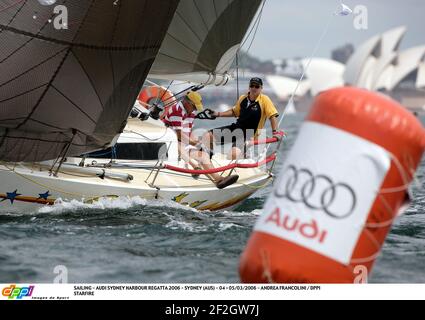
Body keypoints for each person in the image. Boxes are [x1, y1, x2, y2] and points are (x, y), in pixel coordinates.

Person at [162, 91, 239, 189]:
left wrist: (196, 143)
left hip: (183, 142)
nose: (195, 109)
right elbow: (178, 135)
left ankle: (218, 179)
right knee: (177, 144)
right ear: (187, 103)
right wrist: (191, 142)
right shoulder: (176, 110)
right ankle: (194, 166)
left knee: (203, 155)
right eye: (194, 107)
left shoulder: (191, 112)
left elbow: (189, 131)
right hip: (170, 142)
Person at [204, 77, 281, 159]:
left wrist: (275, 132)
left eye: (257, 86)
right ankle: (208, 161)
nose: (254, 88)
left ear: (261, 88)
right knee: (208, 136)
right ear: (249, 87)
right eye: (252, 86)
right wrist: (218, 114)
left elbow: (272, 116)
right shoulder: (243, 98)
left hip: (249, 134)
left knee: (234, 154)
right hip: (236, 129)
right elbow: (234, 112)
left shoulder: (264, 99)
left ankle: (241, 161)